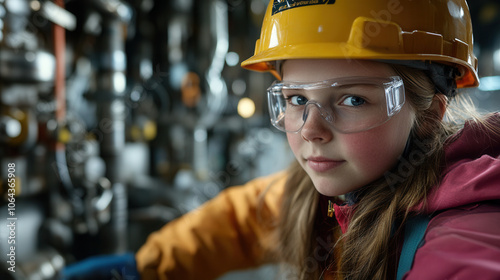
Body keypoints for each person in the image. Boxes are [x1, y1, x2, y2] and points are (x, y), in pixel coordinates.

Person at [64, 0, 500, 279]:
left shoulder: (466, 232)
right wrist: (144, 268)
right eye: (295, 98)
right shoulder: (346, 190)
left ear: (429, 115)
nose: (310, 128)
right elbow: (246, 219)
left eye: (351, 98)